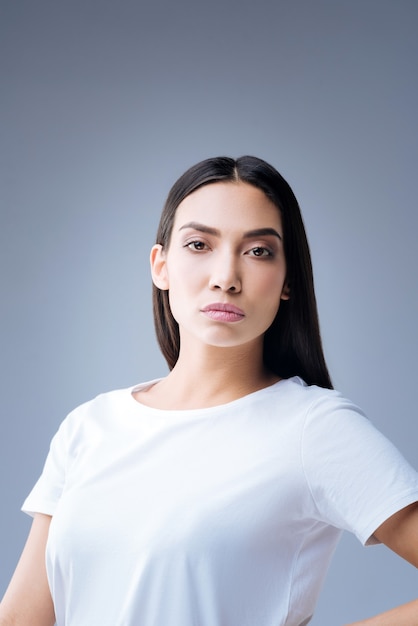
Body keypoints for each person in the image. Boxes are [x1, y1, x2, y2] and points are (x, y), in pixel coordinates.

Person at [0, 156, 417, 626]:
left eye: (258, 251)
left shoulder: (313, 428)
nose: (226, 277)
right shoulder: (89, 427)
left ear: (287, 282)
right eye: (199, 244)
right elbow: (20, 619)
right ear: (160, 266)